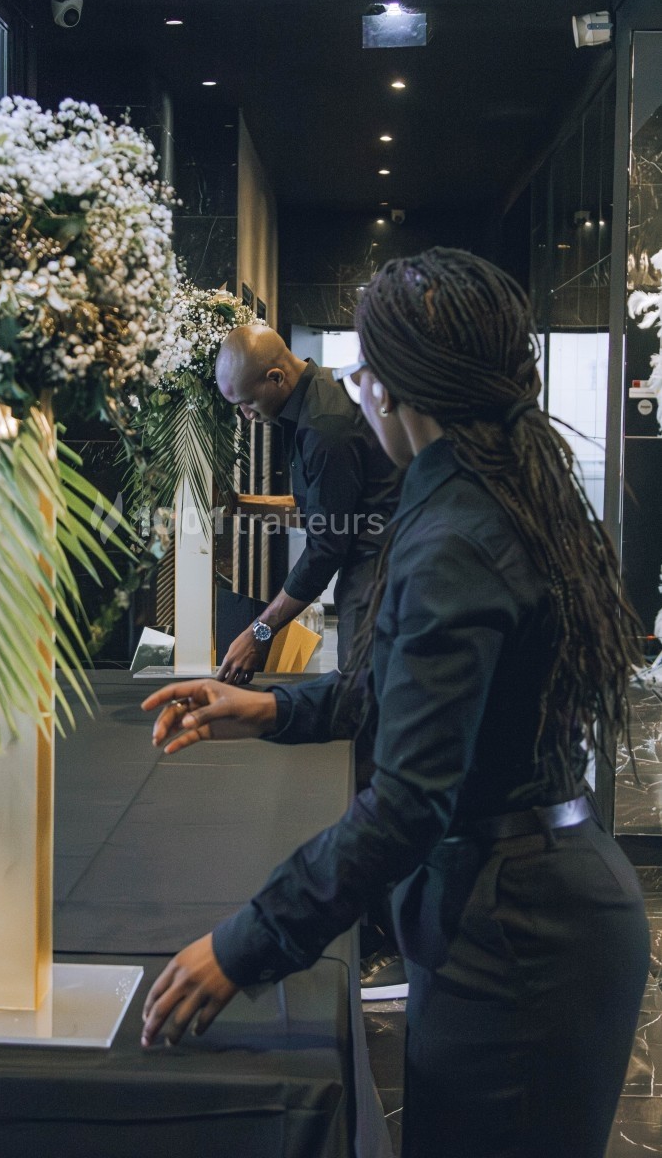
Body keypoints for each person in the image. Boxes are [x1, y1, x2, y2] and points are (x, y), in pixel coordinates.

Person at [138, 248, 650, 1158]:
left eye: (367, 367)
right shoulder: (483, 491)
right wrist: (270, 710)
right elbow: (417, 695)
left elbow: (408, 803)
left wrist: (246, 944)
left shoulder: (457, 529)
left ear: (397, 386)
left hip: (519, 941)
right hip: (535, 912)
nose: (358, 383)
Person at [215, 324, 399, 678]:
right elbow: (323, 511)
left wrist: (260, 632)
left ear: (275, 377)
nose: (247, 417)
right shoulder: (319, 393)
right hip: (372, 564)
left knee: (362, 699)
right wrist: (239, 505)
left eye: (248, 402)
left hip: (378, 576)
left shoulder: (324, 426)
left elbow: (326, 547)